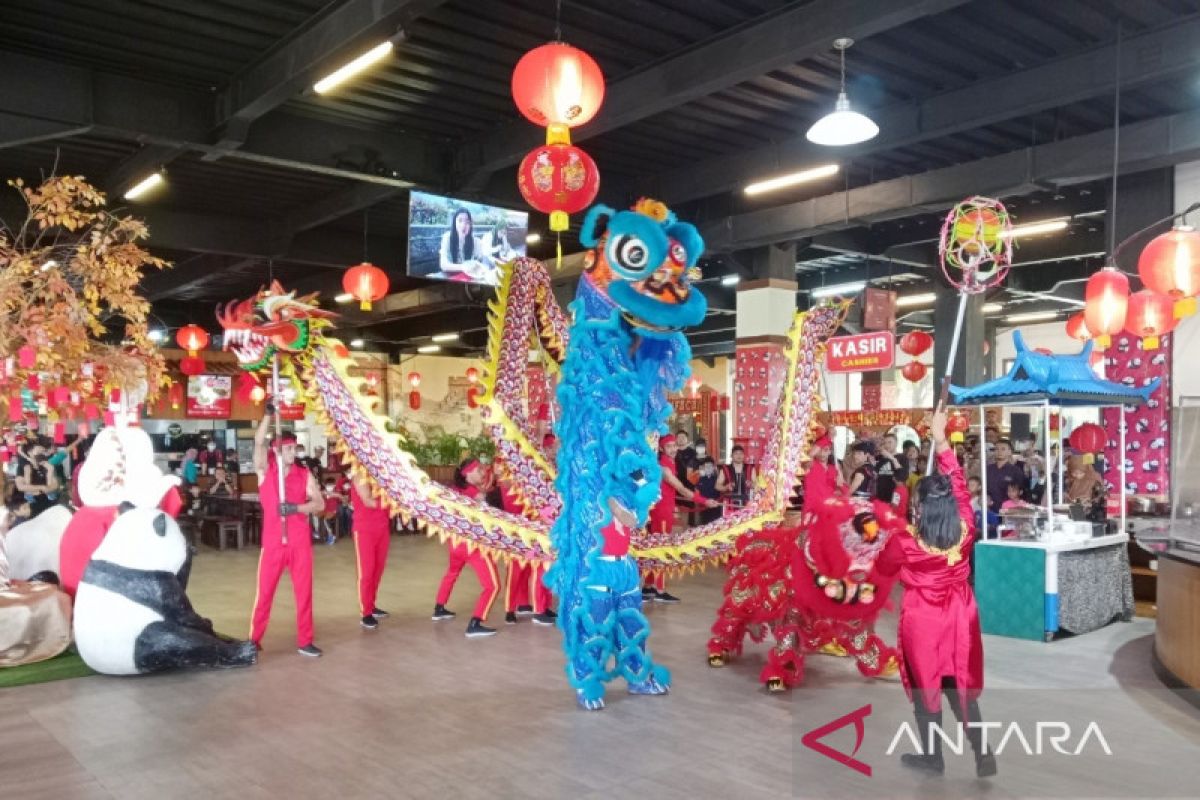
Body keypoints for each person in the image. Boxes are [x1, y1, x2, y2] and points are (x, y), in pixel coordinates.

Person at [876, 408, 996, 778]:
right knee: (955, 682)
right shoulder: (965, 523)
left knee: (926, 682)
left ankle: (933, 756)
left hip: (924, 621)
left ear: (919, 507)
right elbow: (957, 479)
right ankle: (982, 754)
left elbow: (883, 567)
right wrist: (941, 438)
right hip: (960, 614)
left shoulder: (906, 542)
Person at [249, 407, 325, 657]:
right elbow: (259, 441)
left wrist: (296, 507)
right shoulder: (265, 472)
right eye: (289, 449)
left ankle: (305, 640)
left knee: (304, 593)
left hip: (299, 543)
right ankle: (254, 641)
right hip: (272, 544)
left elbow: (320, 504)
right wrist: (269, 415)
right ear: (277, 451)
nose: (294, 452)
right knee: (265, 594)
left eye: (295, 448)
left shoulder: (305, 475)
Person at [433, 458, 501, 637]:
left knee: (452, 573)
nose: (483, 472)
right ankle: (475, 622)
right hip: (472, 546)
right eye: (478, 470)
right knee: (492, 586)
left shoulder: (455, 490)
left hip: (456, 544)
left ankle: (439, 607)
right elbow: (488, 519)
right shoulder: (475, 495)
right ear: (467, 473)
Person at [643, 434, 702, 603]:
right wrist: (703, 500)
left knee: (653, 548)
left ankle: (648, 588)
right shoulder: (663, 467)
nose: (673, 449)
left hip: (662, 511)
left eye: (674, 445)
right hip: (661, 513)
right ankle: (659, 589)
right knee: (662, 548)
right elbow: (682, 489)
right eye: (668, 446)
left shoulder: (670, 463)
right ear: (661, 448)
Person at [500, 478, 556, 626]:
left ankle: (536, 605)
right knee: (516, 573)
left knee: (540, 570)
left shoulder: (533, 474)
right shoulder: (508, 480)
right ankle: (510, 609)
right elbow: (513, 509)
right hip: (518, 533)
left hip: (537, 531)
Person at [351, 475, 392, 630]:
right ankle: (365, 613)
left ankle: (371, 604)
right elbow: (368, 501)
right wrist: (392, 505)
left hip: (382, 528)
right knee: (366, 573)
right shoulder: (359, 477)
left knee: (377, 571)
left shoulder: (381, 478)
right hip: (364, 530)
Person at [439, 208, 494, 282]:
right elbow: (443, 265)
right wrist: (463, 267)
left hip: (469, 280)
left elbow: (482, 259)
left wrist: (484, 268)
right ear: (454, 222)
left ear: (470, 225)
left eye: (467, 222)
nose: (463, 225)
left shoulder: (475, 241)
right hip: (451, 278)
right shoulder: (447, 237)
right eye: (460, 220)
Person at [801, 436, 842, 524]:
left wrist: (839, 488)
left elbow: (841, 488)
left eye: (826, 450)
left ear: (830, 452)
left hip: (829, 510)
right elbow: (810, 455)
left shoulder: (834, 469)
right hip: (811, 509)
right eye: (819, 450)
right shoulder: (810, 465)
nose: (822, 453)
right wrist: (827, 437)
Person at [16, 441, 58, 517]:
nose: (41, 454)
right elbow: (21, 487)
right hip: (35, 505)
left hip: (50, 502)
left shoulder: (46, 464)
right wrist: (41, 488)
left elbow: (55, 484)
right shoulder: (23, 467)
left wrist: (47, 489)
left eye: (42, 452)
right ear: (29, 453)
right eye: (38, 451)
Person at [985, 439, 1026, 512]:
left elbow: (1020, 492)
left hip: (1008, 510)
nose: (999, 452)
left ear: (1010, 452)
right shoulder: (988, 469)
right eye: (996, 449)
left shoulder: (1016, 471)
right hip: (989, 510)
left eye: (1003, 449)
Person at [691, 438, 722, 524]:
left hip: (716, 508)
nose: (708, 468)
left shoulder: (718, 479)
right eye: (706, 466)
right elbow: (696, 494)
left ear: (714, 467)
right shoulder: (699, 479)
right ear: (703, 468)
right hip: (703, 508)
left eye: (710, 466)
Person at [875, 433, 909, 506]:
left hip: (895, 497)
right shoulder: (880, 458)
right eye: (885, 443)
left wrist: (892, 458)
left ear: (896, 443)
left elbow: (903, 477)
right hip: (880, 497)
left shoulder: (902, 458)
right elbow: (875, 474)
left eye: (890, 442)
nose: (887, 445)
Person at [716, 444, 755, 509]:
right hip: (729, 504)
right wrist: (726, 487)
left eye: (741, 453)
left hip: (747, 504)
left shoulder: (750, 468)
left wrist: (751, 484)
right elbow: (717, 486)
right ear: (731, 455)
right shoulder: (725, 469)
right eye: (736, 453)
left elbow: (757, 485)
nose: (739, 456)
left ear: (744, 455)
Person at [673, 430, 696, 522]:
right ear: (676, 439)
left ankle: (690, 526)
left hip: (689, 484)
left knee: (689, 506)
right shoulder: (672, 452)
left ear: (687, 439)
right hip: (674, 482)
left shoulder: (693, 452)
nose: (681, 439)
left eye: (683, 437)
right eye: (679, 437)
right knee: (676, 508)